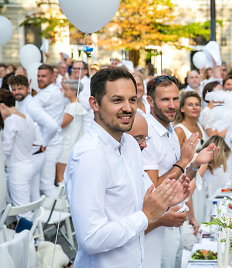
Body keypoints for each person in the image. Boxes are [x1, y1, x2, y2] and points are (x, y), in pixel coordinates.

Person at [65, 67, 188, 268]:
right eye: (117, 100)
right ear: (94, 104)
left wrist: (166, 199)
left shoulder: (130, 144)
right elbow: (91, 239)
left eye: (132, 100)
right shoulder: (89, 155)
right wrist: (146, 216)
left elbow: (140, 199)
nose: (128, 108)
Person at [142, 75, 218, 268]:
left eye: (175, 99)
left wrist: (194, 165)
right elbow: (153, 189)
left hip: (176, 218)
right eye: (165, 99)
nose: (172, 105)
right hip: (157, 224)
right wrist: (184, 160)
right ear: (150, 101)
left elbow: (180, 180)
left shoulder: (169, 131)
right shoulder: (147, 134)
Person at [10, 75, 59, 203]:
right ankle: (37, 219)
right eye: (14, 89)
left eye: (20, 89)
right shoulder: (21, 103)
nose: (16, 92)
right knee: (34, 193)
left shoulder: (31, 105)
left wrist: (44, 143)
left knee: (30, 191)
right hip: (29, 152)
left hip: (34, 153)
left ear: (28, 88)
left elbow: (53, 126)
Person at [0, 90, 36, 216]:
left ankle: (29, 235)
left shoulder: (11, 121)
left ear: (2, 106)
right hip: (29, 163)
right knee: (28, 205)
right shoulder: (26, 117)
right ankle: (33, 233)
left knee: (22, 210)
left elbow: (7, 148)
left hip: (17, 168)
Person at [35, 64, 65, 197]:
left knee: (45, 183)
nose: (40, 79)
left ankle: (59, 214)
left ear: (52, 77)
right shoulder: (47, 91)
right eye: (38, 76)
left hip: (50, 144)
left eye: (43, 76)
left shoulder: (49, 93)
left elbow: (28, 107)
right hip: (49, 142)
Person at [55, 80, 87, 184]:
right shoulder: (77, 105)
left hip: (67, 145)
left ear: (74, 91)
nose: (63, 91)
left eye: (66, 89)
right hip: (72, 143)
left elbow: (61, 124)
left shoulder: (73, 106)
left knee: (60, 177)